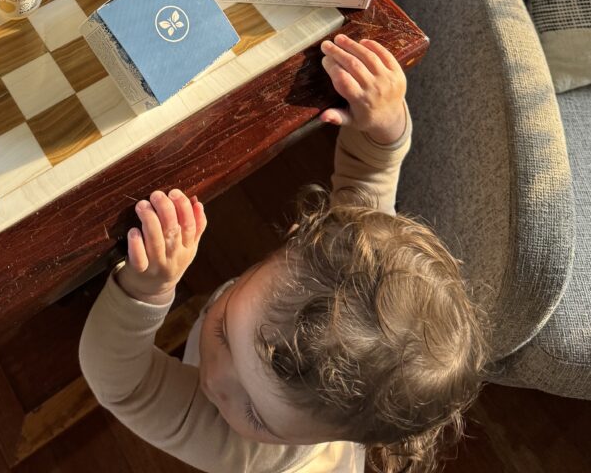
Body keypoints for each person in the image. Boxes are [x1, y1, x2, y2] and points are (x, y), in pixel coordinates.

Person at [79, 34, 487, 472]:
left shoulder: (246, 451)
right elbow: (369, 176)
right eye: (222, 334)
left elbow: (123, 385)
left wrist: (145, 290)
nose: (215, 383)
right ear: (301, 235)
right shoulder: (354, 260)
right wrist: (384, 125)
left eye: (256, 415)